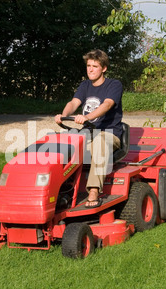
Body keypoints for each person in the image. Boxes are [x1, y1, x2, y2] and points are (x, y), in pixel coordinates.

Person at [55, 49, 123, 208]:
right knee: (59, 143)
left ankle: (93, 191)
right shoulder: (85, 85)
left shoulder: (114, 85)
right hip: (87, 134)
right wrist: (63, 115)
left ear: (104, 68)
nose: (90, 69)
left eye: (95, 66)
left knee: (99, 143)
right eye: (88, 66)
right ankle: (59, 191)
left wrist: (87, 117)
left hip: (109, 134)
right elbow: (73, 103)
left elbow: (107, 105)